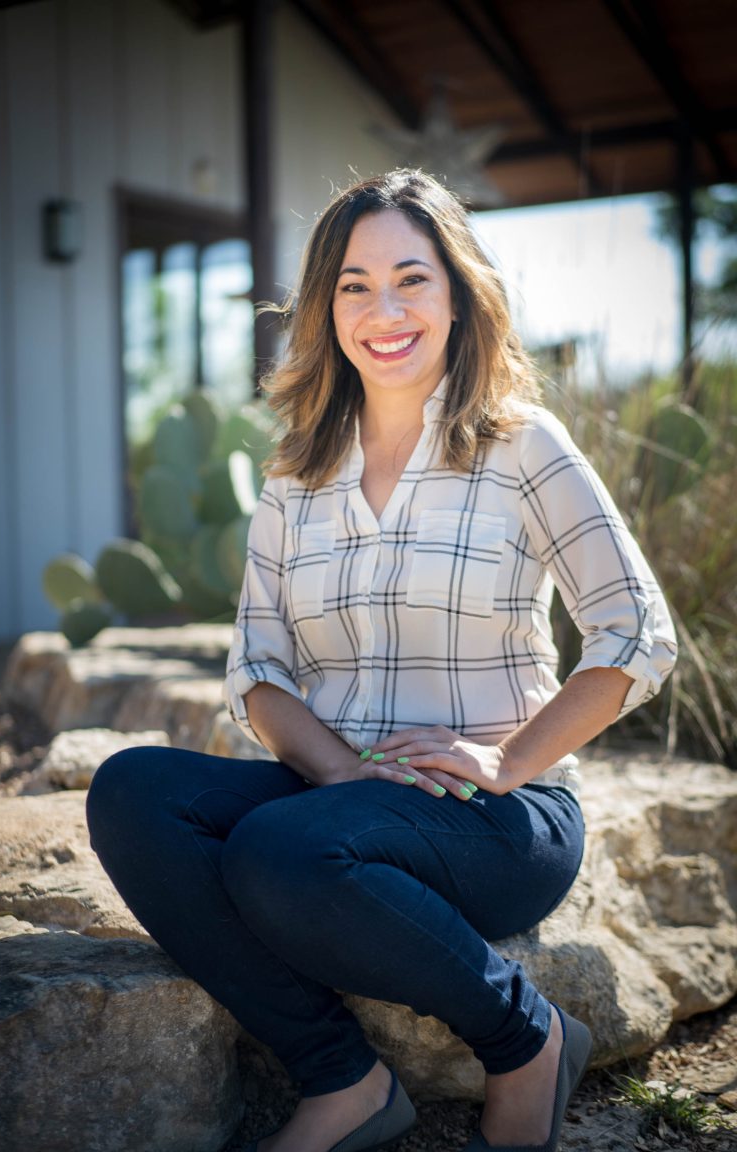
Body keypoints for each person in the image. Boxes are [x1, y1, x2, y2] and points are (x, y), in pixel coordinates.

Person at [87, 170, 677, 1152]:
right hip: (337, 794)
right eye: (355, 285)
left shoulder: (523, 445)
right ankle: (344, 1078)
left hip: (492, 814)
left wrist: (508, 761)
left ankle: (526, 1038)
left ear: (458, 293)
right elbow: (258, 669)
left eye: (412, 278)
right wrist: (340, 774)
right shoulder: (294, 473)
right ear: (325, 305)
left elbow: (636, 630)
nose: (385, 310)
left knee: (284, 850)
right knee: (135, 794)